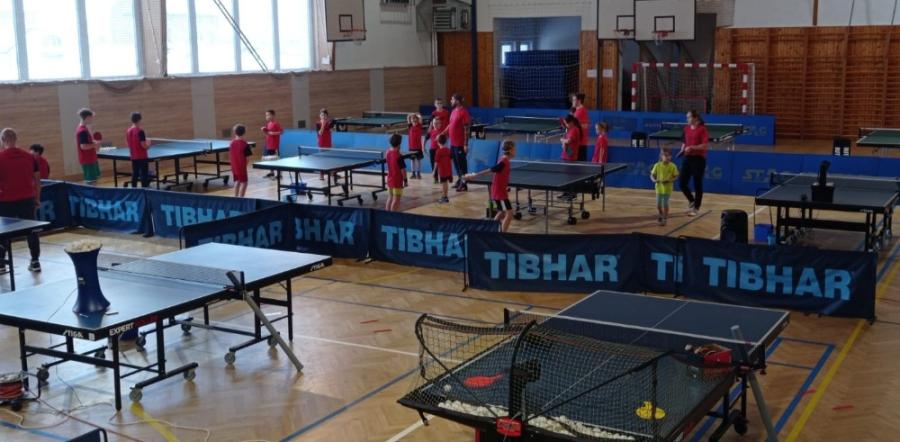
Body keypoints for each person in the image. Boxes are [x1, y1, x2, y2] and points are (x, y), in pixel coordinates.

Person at [0, 129, 42, 272]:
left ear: (2, 140)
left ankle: (1, 263)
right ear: (16, 138)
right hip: (27, 199)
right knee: (31, 230)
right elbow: (37, 180)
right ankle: (35, 261)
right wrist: (37, 198)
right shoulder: (30, 157)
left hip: (6, 201)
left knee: (4, 231)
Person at [464, 140, 516, 233]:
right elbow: (490, 170)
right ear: (511, 150)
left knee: (501, 212)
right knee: (509, 213)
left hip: (499, 190)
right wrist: (475, 175)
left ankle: (491, 230)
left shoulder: (504, 160)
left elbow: (501, 175)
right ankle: (502, 234)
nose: (515, 151)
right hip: (500, 193)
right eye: (514, 149)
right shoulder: (504, 162)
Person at [679, 110, 709, 216]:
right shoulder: (686, 129)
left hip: (698, 159)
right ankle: (692, 201)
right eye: (687, 117)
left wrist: (691, 147)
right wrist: (682, 149)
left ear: (695, 118)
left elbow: (705, 145)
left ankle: (696, 207)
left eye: (689, 117)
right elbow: (684, 142)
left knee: (697, 184)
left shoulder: (702, 129)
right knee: (682, 183)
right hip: (687, 158)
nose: (687, 119)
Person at [443, 93, 471, 192]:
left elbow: (467, 129)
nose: (451, 101)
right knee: (456, 164)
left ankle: (464, 184)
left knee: (462, 165)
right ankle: (460, 180)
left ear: (457, 101)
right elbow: (450, 124)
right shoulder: (454, 111)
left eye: (452, 99)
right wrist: (443, 133)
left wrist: (465, 144)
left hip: (460, 144)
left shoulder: (464, 113)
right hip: (453, 143)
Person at [650, 149, 679, 226]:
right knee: (658, 205)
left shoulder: (673, 166)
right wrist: (654, 180)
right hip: (659, 188)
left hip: (667, 189)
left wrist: (670, 180)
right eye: (665, 155)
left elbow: (676, 176)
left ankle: (665, 218)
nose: (667, 157)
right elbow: (652, 175)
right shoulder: (657, 165)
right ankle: (660, 213)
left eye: (669, 155)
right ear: (661, 156)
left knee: (665, 203)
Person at [126, 112, 152, 188]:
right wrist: (149, 144)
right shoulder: (140, 131)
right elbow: (144, 145)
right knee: (143, 174)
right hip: (142, 156)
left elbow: (128, 144)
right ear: (139, 120)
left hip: (133, 156)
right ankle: (145, 190)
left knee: (135, 173)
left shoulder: (128, 131)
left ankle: (133, 190)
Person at [76, 108, 101, 184]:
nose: (92, 120)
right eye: (91, 118)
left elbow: (87, 142)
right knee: (91, 182)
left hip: (91, 158)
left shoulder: (85, 129)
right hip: (87, 160)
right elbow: (83, 146)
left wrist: (93, 142)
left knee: (93, 181)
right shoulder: (82, 131)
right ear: (87, 117)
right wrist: (95, 144)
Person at [385, 133, 407, 211]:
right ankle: (393, 215)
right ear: (399, 144)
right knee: (396, 199)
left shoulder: (387, 152)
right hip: (397, 181)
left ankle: (387, 214)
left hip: (389, 179)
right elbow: (403, 170)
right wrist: (405, 180)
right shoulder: (399, 156)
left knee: (390, 197)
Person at [429, 98, 449, 184]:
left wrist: (445, 134)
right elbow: (431, 124)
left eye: (440, 103)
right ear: (435, 104)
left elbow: (449, 124)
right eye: (437, 103)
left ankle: (443, 176)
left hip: (444, 137)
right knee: (434, 160)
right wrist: (429, 132)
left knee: (442, 159)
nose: (439, 104)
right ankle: (435, 177)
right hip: (435, 137)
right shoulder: (433, 113)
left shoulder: (446, 112)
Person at [260, 109, 283, 178]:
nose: (267, 117)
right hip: (268, 144)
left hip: (274, 145)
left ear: (273, 115)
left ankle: (279, 174)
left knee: (276, 160)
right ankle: (271, 172)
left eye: (268, 115)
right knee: (269, 159)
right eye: (266, 115)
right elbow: (268, 133)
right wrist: (264, 130)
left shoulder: (276, 123)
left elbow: (281, 132)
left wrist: (273, 133)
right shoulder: (268, 124)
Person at [229, 124, 250, 198]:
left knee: (237, 181)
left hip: (234, 166)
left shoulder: (231, 143)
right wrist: (245, 166)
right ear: (244, 133)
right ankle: (241, 198)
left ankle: (236, 197)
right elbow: (247, 158)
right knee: (244, 183)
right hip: (241, 167)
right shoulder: (245, 144)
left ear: (235, 132)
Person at [434, 134, 453, 204]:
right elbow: (451, 160)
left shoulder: (438, 152)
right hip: (448, 170)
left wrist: (434, 171)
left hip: (442, 171)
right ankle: (446, 196)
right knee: (446, 183)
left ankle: (444, 197)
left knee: (443, 184)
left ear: (438, 142)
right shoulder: (448, 150)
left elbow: (436, 162)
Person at [571, 93, 590, 161]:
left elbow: (586, 125)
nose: (572, 101)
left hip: (581, 142)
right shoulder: (575, 110)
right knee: (573, 158)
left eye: (574, 100)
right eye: (572, 100)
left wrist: (574, 126)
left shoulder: (582, 111)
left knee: (581, 161)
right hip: (576, 140)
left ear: (579, 101)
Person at [317, 109, 334, 180]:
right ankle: (321, 175)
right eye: (322, 115)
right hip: (321, 143)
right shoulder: (318, 123)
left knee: (329, 158)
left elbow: (331, 131)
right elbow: (320, 133)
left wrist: (328, 125)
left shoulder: (329, 123)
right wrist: (323, 125)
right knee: (322, 159)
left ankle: (331, 172)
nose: (323, 116)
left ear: (327, 116)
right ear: (320, 116)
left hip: (328, 143)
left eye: (324, 115)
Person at [407, 113, 424, 179]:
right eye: (412, 118)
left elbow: (420, 117)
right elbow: (408, 117)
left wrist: (417, 114)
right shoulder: (410, 126)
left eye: (415, 118)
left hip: (418, 147)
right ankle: (413, 173)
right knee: (412, 161)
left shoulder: (419, 126)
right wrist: (411, 114)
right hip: (411, 147)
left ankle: (418, 173)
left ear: (417, 119)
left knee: (418, 160)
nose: (413, 119)